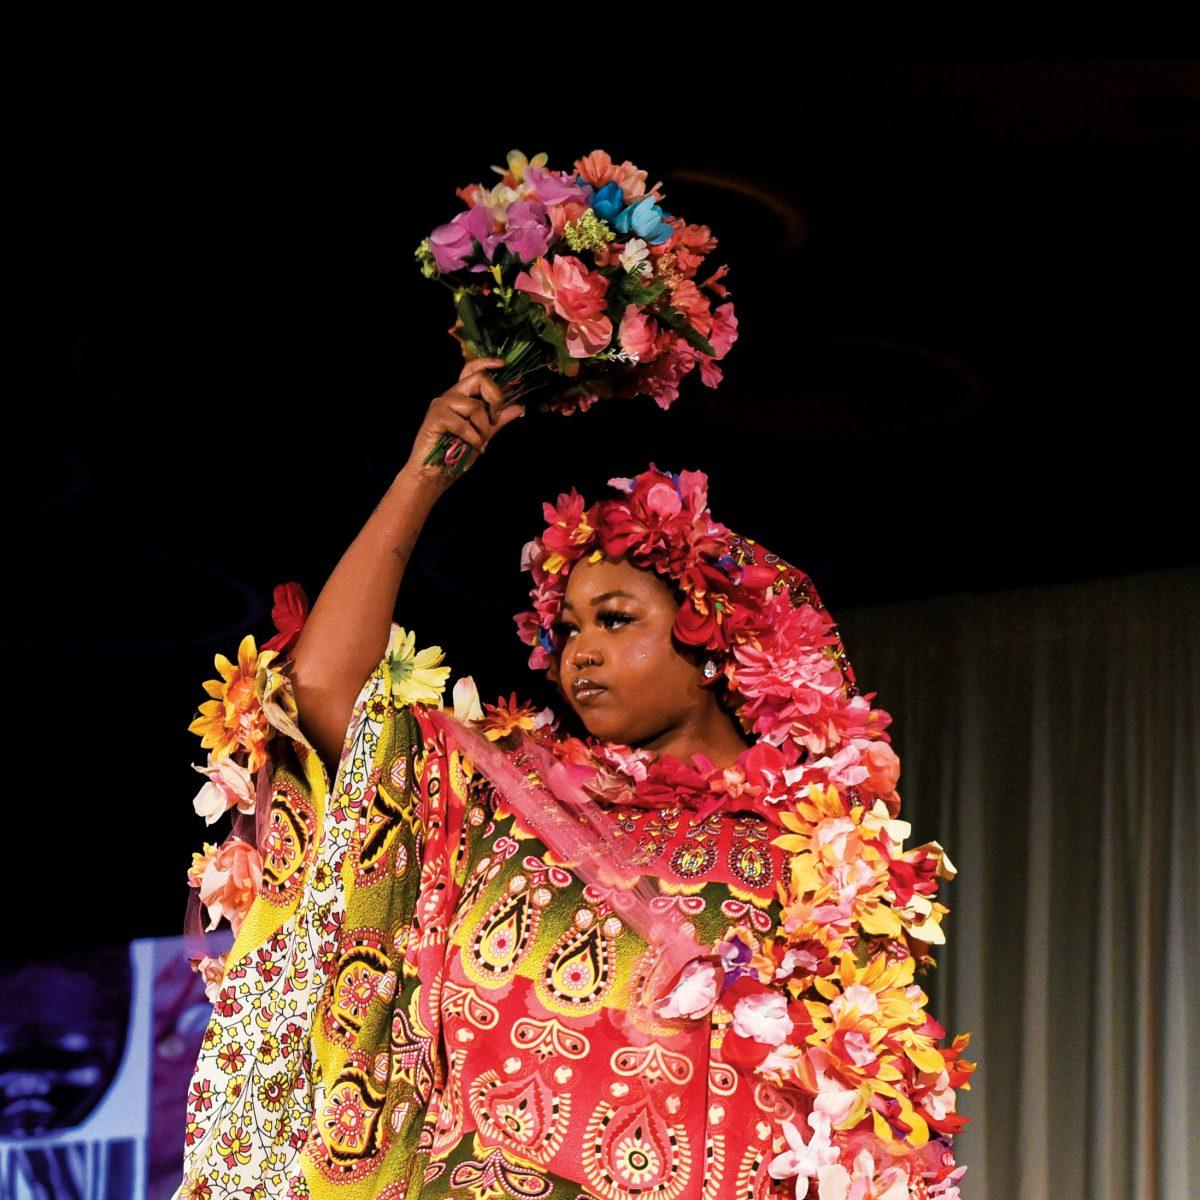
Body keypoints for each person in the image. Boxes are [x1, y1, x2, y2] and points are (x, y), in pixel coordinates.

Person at [174, 357, 973, 1200]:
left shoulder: (820, 861)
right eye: (565, 632)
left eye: (615, 620)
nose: (578, 651)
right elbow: (330, 696)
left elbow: (857, 1135)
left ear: (711, 641)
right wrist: (423, 475)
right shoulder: (506, 799)